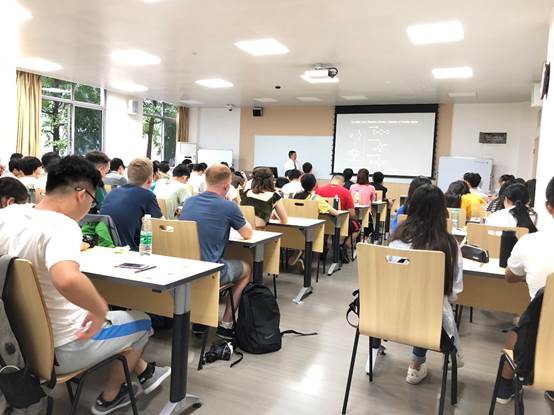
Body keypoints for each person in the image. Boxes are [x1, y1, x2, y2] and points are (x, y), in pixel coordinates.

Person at [0, 155, 169, 414]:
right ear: (81, 194)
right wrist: (99, 308)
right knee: (142, 322)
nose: (91, 206)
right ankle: (111, 397)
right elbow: (67, 278)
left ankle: (146, 372)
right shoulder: (62, 226)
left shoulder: (8, 215)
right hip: (63, 348)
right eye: (92, 200)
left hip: (13, 344)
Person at [387, 184, 463, 385]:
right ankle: (416, 364)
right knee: (430, 302)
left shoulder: (396, 240)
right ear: (442, 211)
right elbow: (455, 289)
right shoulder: (449, 244)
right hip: (429, 320)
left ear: (412, 206)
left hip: (386, 314)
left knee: (416, 299)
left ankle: (375, 352)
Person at [496, 176, 554, 404]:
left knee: (523, 325)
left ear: (548, 206)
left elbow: (510, 277)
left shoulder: (530, 242)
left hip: (539, 343)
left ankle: (505, 388)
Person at [179, 164, 253, 339]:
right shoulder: (228, 207)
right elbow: (248, 233)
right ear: (227, 186)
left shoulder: (189, 202)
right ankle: (227, 324)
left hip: (186, 269)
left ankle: (200, 321)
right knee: (246, 269)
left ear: (206, 181)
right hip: (211, 272)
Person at [100, 158, 163, 251]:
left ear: (128, 177)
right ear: (149, 180)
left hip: (105, 247)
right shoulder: (147, 195)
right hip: (129, 251)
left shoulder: (113, 192)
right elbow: (162, 225)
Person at [290, 173, 338, 271]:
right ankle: (302, 256)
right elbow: (335, 213)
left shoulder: (296, 195)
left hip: (294, 228)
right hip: (308, 230)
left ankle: (299, 252)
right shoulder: (316, 198)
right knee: (316, 233)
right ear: (315, 184)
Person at [316, 174, 360, 255]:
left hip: (320, 223)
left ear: (331, 180)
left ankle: (324, 246)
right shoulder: (346, 192)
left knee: (326, 226)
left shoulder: (319, 190)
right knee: (357, 227)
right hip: (339, 224)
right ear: (343, 183)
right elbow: (352, 214)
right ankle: (344, 247)